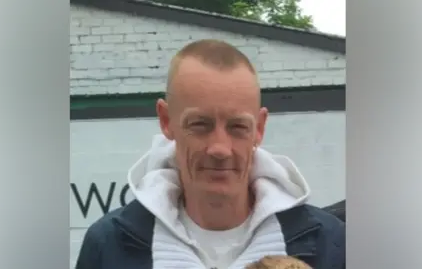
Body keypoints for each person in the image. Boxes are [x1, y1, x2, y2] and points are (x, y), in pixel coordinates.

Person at [75, 39, 345, 269]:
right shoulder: (109, 246)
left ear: (259, 128)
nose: (220, 148)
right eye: (200, 125)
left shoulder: (330, 244)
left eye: (238, 127)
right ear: (166, 121)